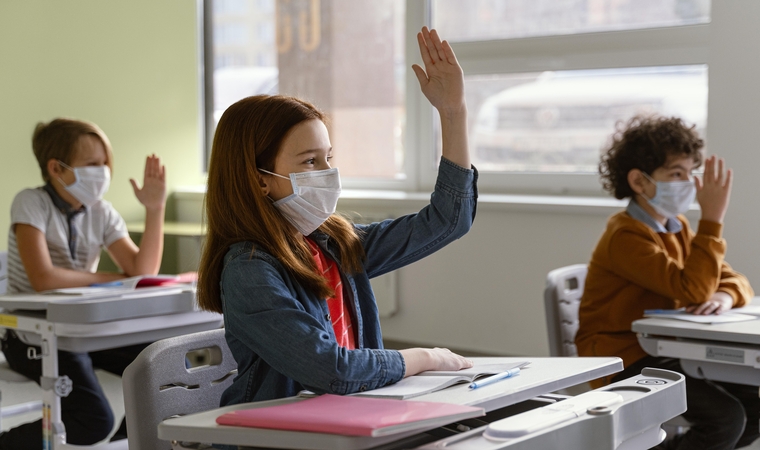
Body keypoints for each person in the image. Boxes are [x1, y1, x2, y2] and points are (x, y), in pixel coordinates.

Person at [196, 26, 476, 412]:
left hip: (347, 422)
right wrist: (422, 359)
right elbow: (331, 369)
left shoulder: (332, 242)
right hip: (277, 438)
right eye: (310, 161)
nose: (328, 172)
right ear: (259, 180)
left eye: (329, 157)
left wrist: (452, 113)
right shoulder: (248, 269)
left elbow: (448, 220)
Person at [575, 115, 760, 450]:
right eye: (677, 174)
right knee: (725, 418)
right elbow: (691, 288)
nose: (689, 183)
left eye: (691, 172)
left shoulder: (677, 227)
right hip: (623, 356)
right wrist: (712, 220)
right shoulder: (626, 235)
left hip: (666, 348)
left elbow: (735, 280)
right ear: (639, 181)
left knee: (756, 405)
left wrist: (724, 297)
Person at [0, 118, 167, 449]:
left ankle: (130, 441)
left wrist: (155, 208)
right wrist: (115, 279)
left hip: (82, 330)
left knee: (160, 369)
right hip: (29, 333)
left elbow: (143, 270)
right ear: (56, 168)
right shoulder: (30, 203)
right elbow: (44, 279)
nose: (103, 170)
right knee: (92, 419)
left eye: (105, 162)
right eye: (92, 164)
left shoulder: (101, 212)